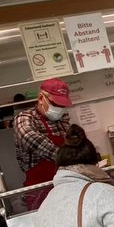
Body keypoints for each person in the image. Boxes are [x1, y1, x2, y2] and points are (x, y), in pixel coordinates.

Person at [14, 78, 72, 210]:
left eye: (62, 106)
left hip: (65, 186)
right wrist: (69, 157)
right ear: (41, 98)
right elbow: (31, 138)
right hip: (40, 191)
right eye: (55, 104)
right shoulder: (24, 118)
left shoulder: (63, 120)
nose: (59, 109)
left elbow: (74, 144)